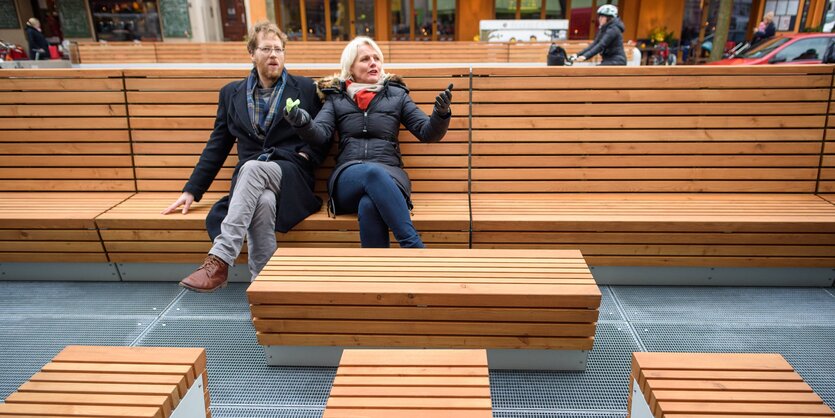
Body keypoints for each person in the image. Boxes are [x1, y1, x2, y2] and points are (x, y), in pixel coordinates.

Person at [162, 21, 324, 292]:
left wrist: (307, 156)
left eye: (279, 49)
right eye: (266, 49)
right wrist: (192, 190)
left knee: (250, 169)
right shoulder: (231, 94)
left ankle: (221, 258)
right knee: (262, 201)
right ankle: (264, 289)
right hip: (252, 184)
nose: (274, 55)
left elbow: (322, 135)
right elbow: (218, 144)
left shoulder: (306, 89)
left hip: (291, 175)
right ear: (252, 53)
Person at [283, 36, 452, 248]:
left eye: (376, 58)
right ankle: (414, 246)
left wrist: (441, 114)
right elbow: (320, 135)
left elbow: (427, 133)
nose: (373, 63)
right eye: (365, 59)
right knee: (371, 173)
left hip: (391, 175)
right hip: (348, 177)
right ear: (350, 68)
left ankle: (380, 276)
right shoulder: (337, 98)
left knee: (369, 205)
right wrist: (302, 121)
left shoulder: (397, 96)